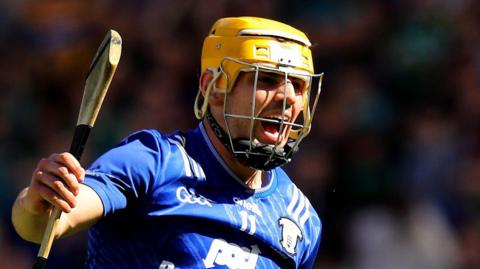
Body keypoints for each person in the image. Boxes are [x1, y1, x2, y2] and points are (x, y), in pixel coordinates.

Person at [12, 16, 324, 268]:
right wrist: (38, 202)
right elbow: (47, 223)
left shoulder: (301, 220)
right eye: (266, 80)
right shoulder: (153, 161)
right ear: (213, 88)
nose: (287, 99)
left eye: (298, 86)